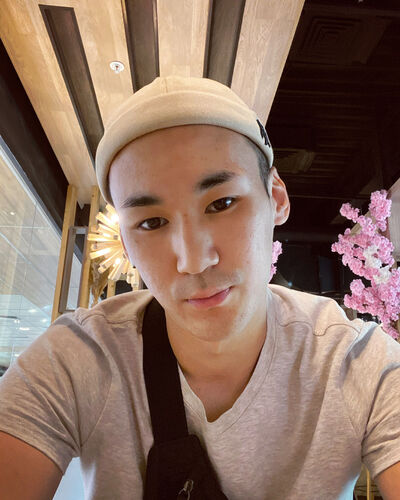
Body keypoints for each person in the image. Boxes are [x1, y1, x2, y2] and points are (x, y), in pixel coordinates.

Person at [0, 75, 399, 500]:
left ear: (277, 198)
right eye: (152, 223)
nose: (193, 261)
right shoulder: (77, 359)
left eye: (222, 203)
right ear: (126, 245)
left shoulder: (356, 363)